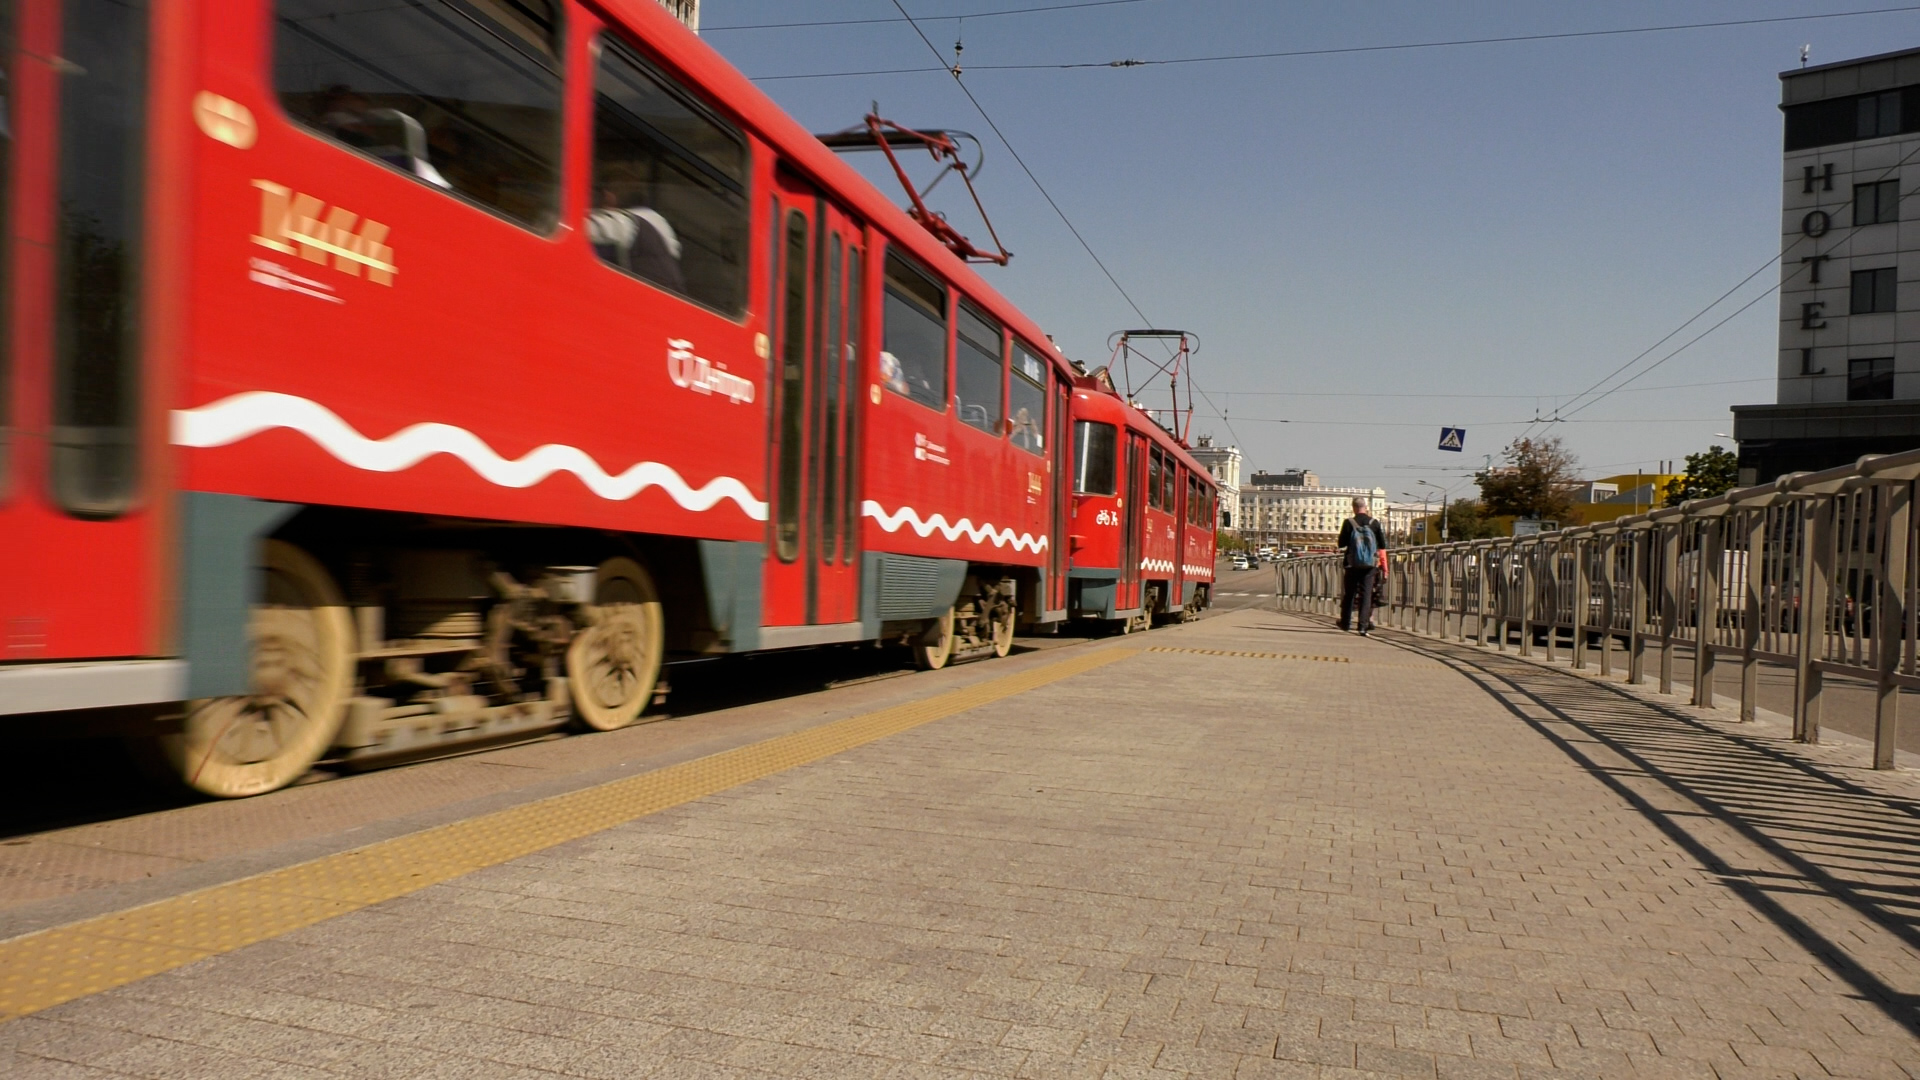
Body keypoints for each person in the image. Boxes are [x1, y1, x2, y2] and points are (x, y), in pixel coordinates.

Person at [1337, 495, 1387, 635]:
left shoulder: (1349, 522)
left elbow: (1341, 544)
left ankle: (1345, 623)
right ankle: (1363, 626)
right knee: (1366, 595)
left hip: (1352, 564)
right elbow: (1382, 545)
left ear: (1354, 508)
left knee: (1350, 593)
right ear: (1365, 507)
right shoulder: (1374, 522)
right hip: (1370, 565)